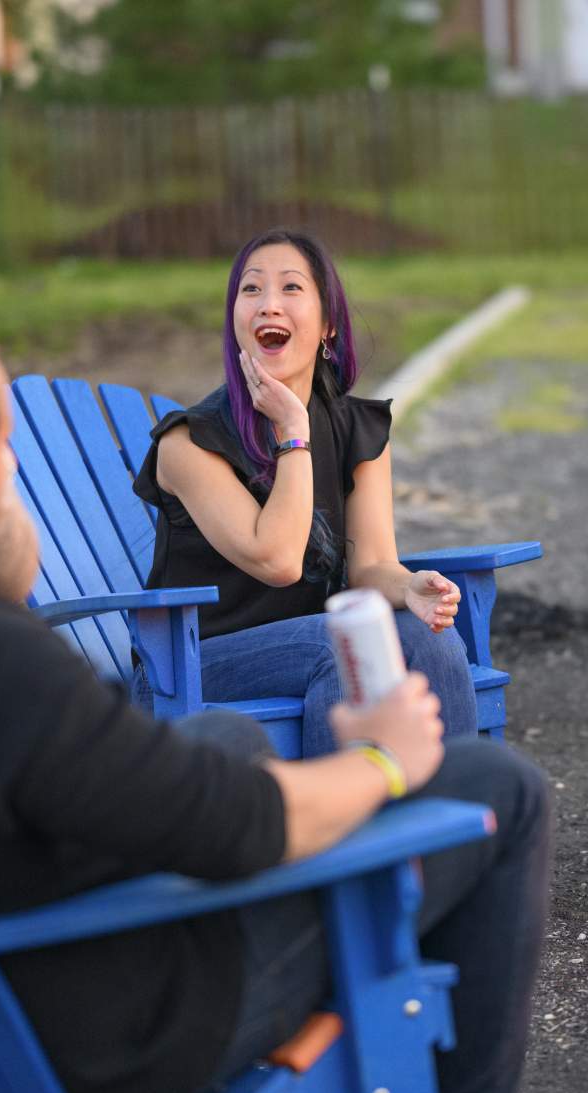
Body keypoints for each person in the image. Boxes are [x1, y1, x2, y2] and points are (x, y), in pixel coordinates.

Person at [0, 355, 588, 1093]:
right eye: (0, 445)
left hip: (43, 998)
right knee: (499, 789)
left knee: (218, 736)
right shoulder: (14, 668)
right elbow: (238, 824)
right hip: (121, 1035)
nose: (13, 466)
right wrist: (381, 762)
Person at [132, 228, 477, 757]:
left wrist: (408, 586)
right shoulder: (189, 443)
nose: (268, 304)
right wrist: (294, 434)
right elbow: (278, 561)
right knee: (341, 647)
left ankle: (454, 821)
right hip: (190, 667)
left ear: (328, 325)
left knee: (431, 636)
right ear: (236, 321)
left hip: (310, 645)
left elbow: (371, 566)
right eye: (251, 291)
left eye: (291, 288)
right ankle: (339, 832)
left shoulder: (355, 427)